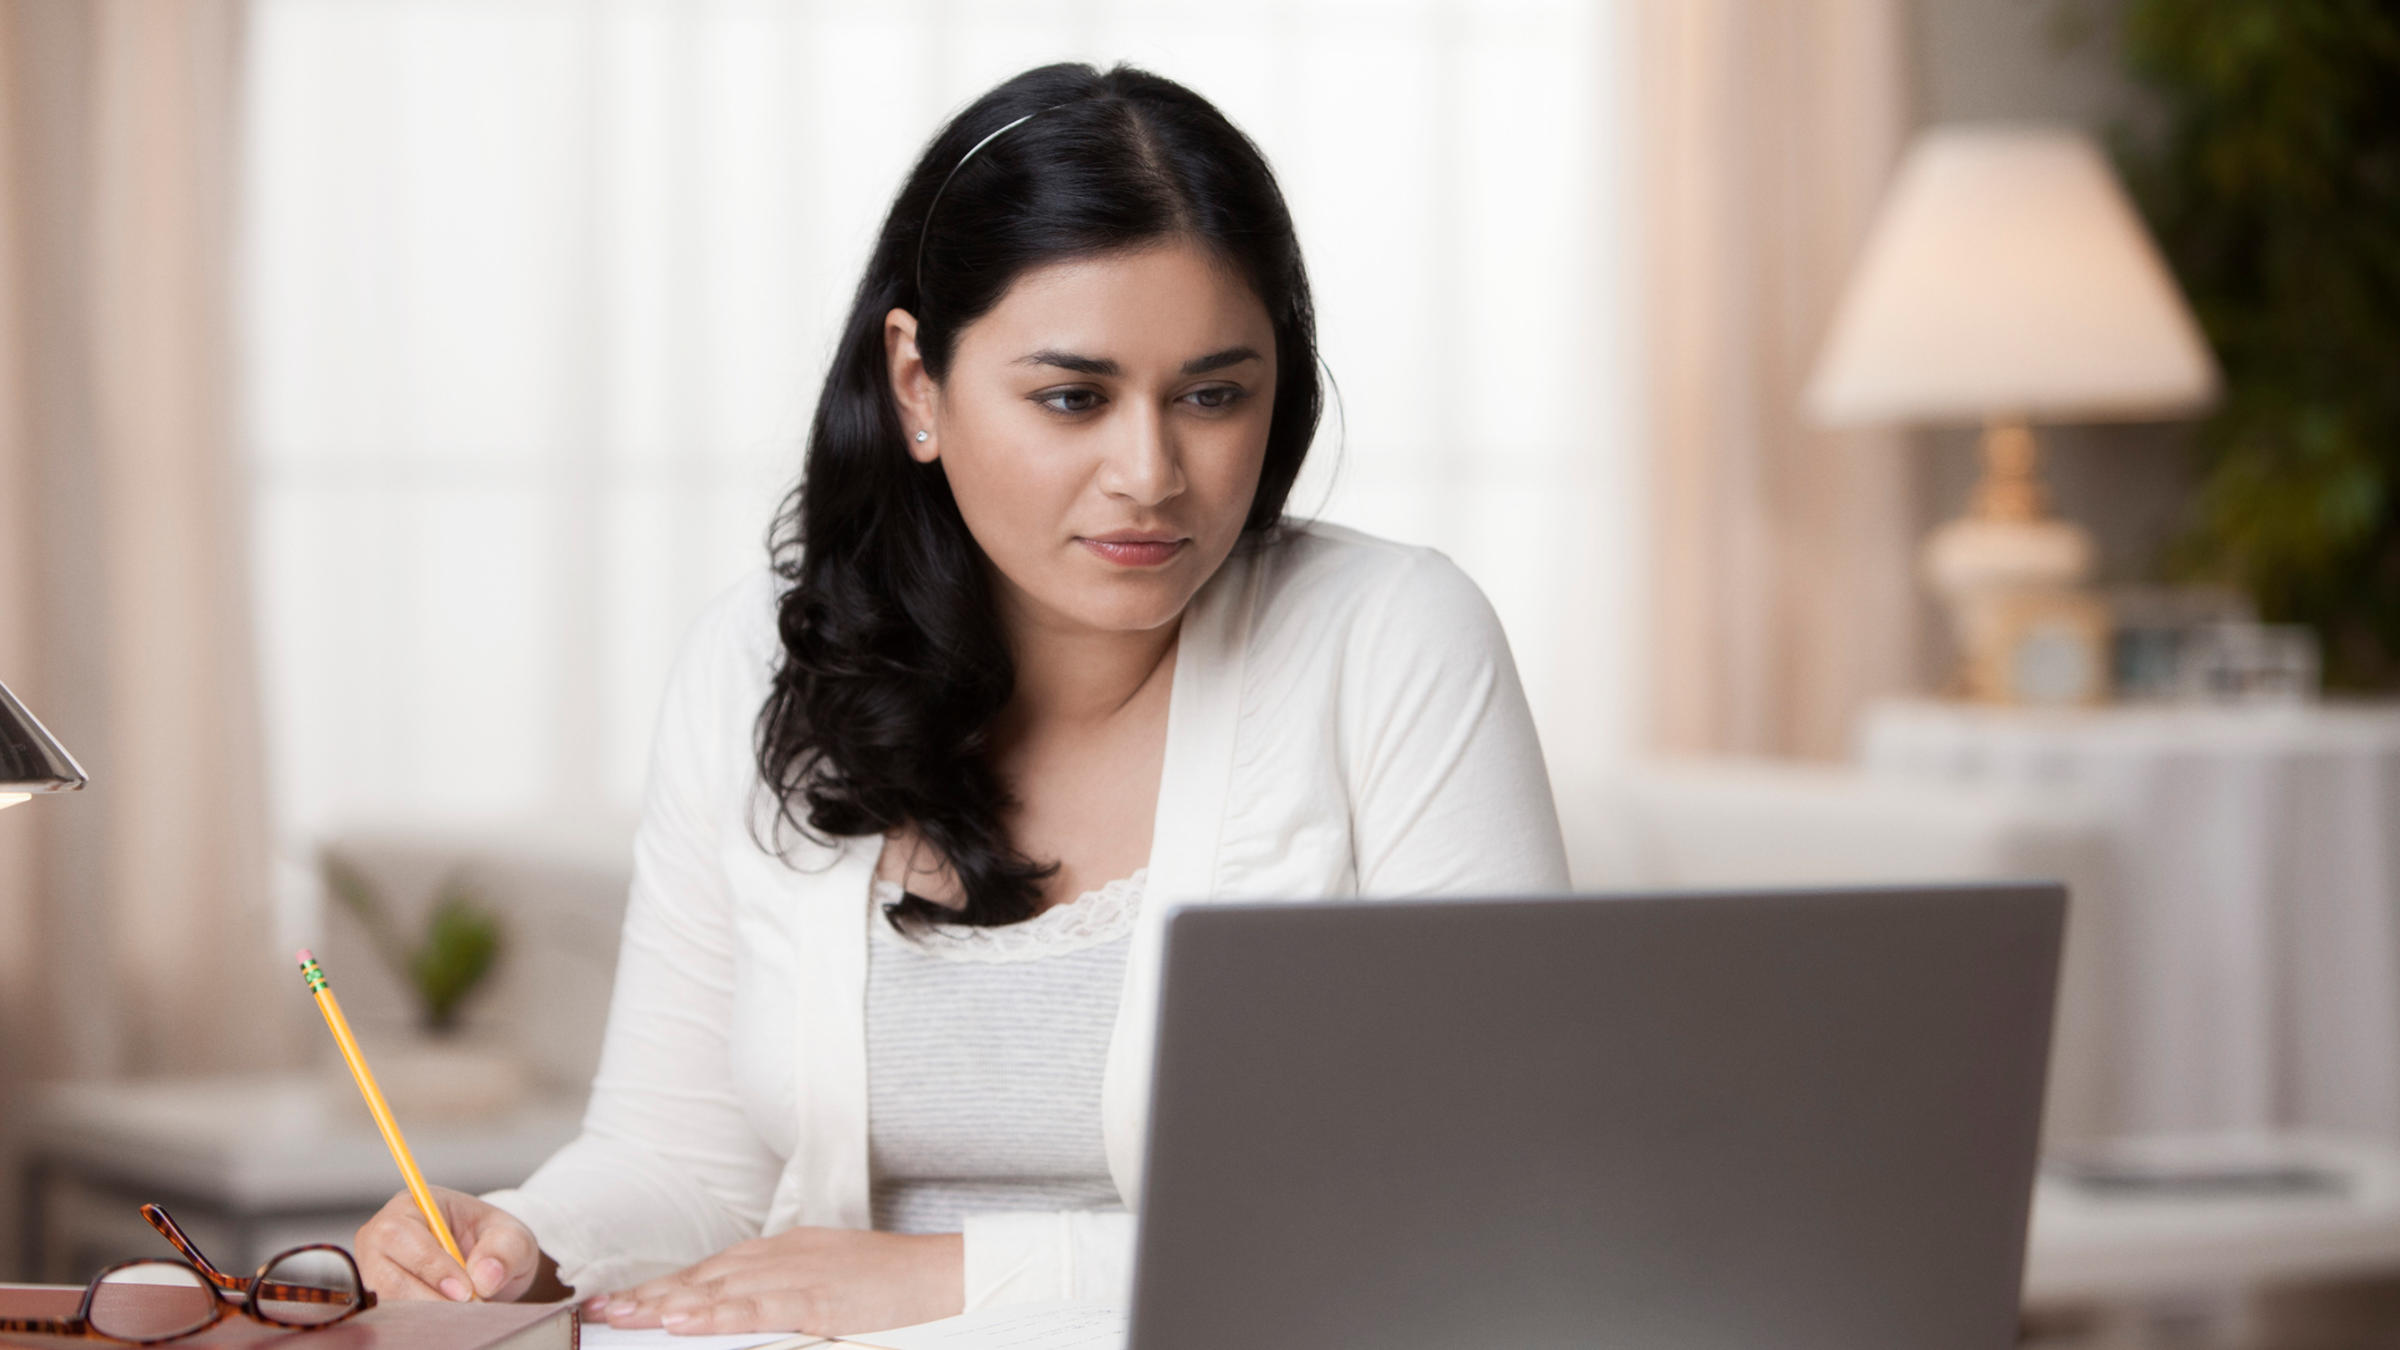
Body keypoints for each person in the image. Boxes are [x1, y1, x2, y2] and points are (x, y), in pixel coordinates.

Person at [350, 58, 1570, 1338]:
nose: (1149, 473)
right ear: (919, 386)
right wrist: (521, 1238)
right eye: (1071, 397)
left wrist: (959, 1280)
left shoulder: (1393, 643)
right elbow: (681, 1162)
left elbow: (1495, 1193)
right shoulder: (757, 668)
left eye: (1215, 395)